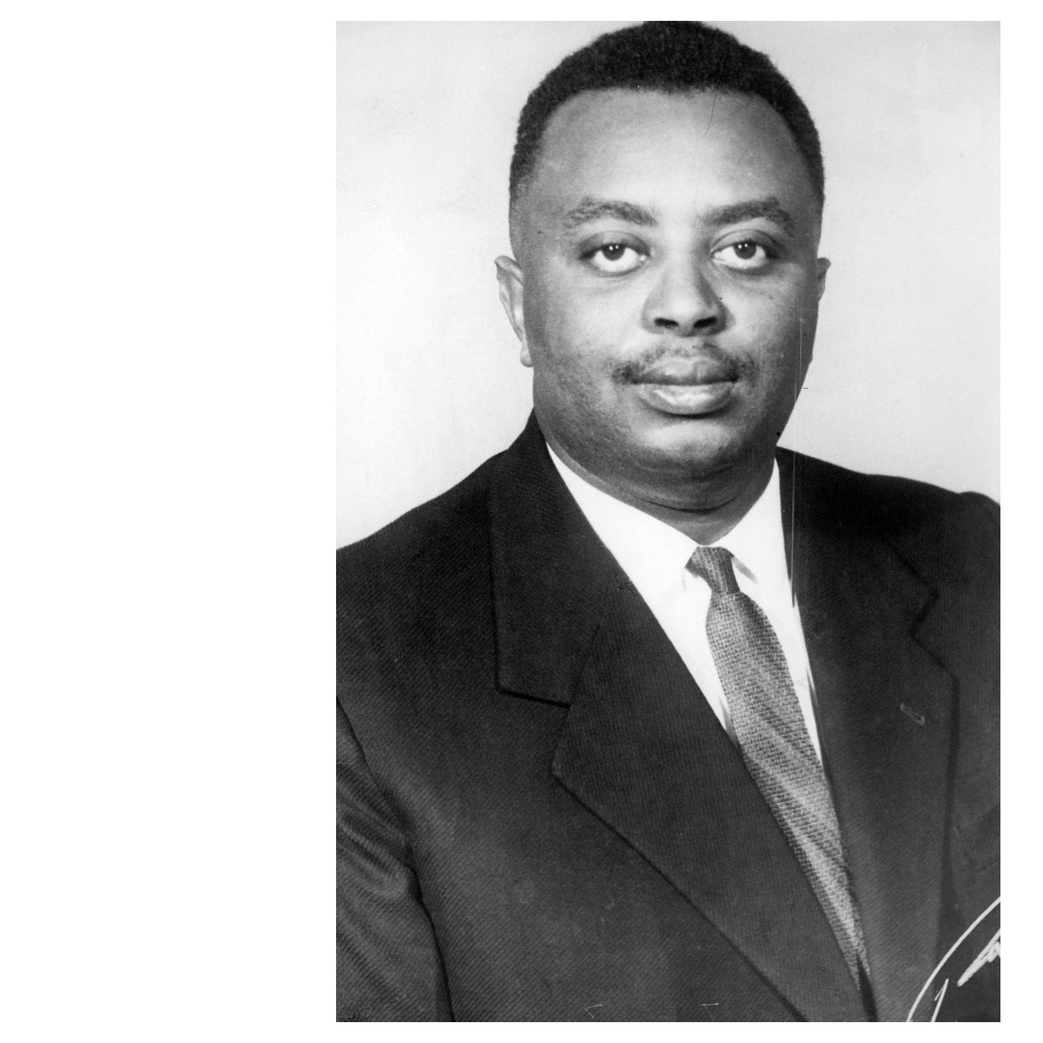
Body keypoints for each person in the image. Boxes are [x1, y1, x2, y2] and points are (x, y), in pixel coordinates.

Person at [337, 21, 998, 1022]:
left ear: (813, 296)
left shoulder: (979, 561)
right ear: (518, 304)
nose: (686, 305)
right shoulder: (349, 661)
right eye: (614, 250)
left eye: (746, 248)